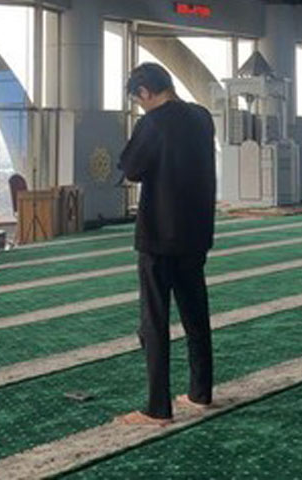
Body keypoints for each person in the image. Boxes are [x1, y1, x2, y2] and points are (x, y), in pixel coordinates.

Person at [116, 62, 217, 426]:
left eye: (138, 100)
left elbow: (131, 168)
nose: (140, 106)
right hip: (196, 232)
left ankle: (157, 408)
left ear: (144, 93)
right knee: (195, 314)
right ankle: (200, 392)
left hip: (159, 234)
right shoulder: (203, 117)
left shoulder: (152, 122)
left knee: (154, 321)